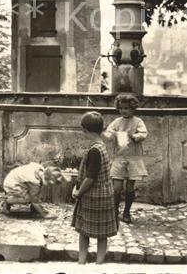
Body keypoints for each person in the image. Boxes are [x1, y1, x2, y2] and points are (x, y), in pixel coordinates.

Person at [71, 111, 118, 264]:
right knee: (102, 233)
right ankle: (99, 264)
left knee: (84, 231)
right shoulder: (102, 146)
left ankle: (81, 262)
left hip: (93, 196)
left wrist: (78, 192)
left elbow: (90, 178)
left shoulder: (93, 151)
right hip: (106, 194)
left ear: (85, 130)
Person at [105, 93, 148, 224]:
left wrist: (135, 136)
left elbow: (144, 133)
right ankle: (114, 210)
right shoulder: (117, 122)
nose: (124, 111)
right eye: (122, 108)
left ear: (133, 108)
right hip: (119, 157)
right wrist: (114, 135)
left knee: (130, 187)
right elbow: (107, 133)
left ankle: (127, 212)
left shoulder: (138, 121)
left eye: (127, 108)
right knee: (116, 187)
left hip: (133, 158)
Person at [1, 162, 66, 218]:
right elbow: (34, 199)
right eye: (50, 184)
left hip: (17, 180)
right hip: (11, 184)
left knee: (36, 192)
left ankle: (34, 208)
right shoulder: (34, 181)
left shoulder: (40, 170)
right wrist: (45, 214)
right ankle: (7, 201)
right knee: (28, 198)